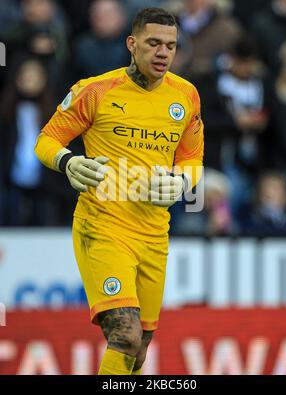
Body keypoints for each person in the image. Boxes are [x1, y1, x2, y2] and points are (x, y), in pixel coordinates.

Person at [35, 7, 204, 375]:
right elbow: (47, 139)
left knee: (138, 351)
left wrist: (180, 182)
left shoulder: (186, 96)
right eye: (153, 43)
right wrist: (67, 162)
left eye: (171, 46)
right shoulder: (94, 91)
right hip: (103, 227)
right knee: (125, 336)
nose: (163, 53)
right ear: (132, 44)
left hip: (154, 235)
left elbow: (192, 160)